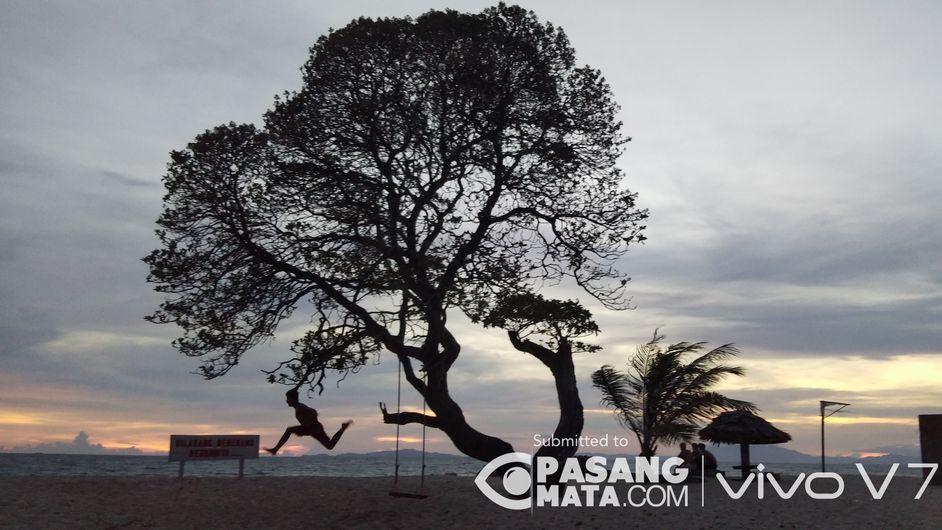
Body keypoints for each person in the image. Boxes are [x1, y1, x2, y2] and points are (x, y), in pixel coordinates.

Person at [264, 388, 353, 455]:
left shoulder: (300, 407)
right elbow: (312, 411)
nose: (286, 401)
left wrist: (311, 423)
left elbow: (312, 412)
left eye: (288, 399)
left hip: (312, 428)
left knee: (289, 430)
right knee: (330, 446)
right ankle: (343, 428)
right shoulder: (299, 406)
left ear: (292, 399)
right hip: (313, 428)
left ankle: (275, 449)